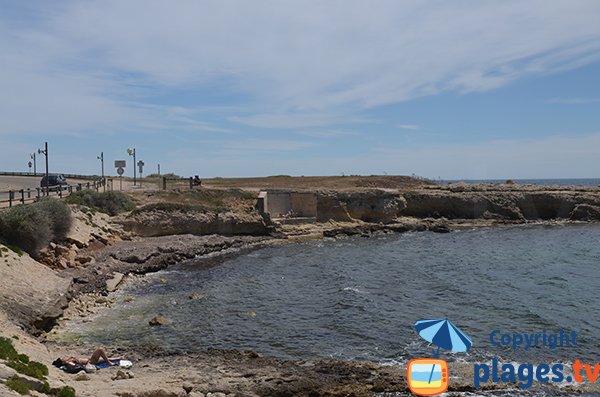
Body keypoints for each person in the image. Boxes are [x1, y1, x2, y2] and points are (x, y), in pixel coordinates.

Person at [56, 347, 122, 367]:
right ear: (63, 362)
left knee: (105, 358)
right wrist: (68, 362)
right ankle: (109, 363)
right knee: (100, 349)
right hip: (91, 362)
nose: (63, 357)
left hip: (90, 359)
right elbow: (75, 366)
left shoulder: (69, 359)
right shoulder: (68, 362)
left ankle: (119, 358)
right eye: (62, 359)